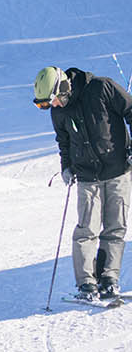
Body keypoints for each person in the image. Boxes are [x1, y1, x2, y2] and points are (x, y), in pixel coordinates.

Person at [37, 65, 130, 301]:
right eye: (46, 104)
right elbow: (63, 142)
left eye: (53, 100)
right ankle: (87, 283)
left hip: (118, 170)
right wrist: (66, 167)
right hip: (87, 177)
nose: (53, 106)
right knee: (86, 230)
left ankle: (109, 279)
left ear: (64, 87)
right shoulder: (58, 112)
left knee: (115, 227)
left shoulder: (102, 88)